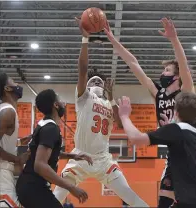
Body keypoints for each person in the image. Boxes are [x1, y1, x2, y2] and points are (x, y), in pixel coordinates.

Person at [53, 18, 148, 207]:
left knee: (132, 198)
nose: (96, 83)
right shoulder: (84, 98)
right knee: (54, 199)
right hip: (80, 157)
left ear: (104, 88)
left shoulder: (107, 103)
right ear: (87, 86)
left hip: (103, 159)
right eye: (93, 81)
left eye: (99, 82)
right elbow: (82, 70)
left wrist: (112, 97)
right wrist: (84, 39)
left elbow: (120, 123)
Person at [104, 17, 195, 207]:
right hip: (175, 157)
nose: (163, 73)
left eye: (167, 70)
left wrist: (174, 39)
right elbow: (133, 63)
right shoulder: (158, 94)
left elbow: (184, 66)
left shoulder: (185, 91)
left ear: (177, 76)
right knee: (163, 202)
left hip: (194, 155)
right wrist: (113, 40)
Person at [118, 93, 196, 208]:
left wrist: (124, 116)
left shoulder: (177, 130)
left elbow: (136, 139)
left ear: (176, 113)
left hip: (189, 202)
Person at [16, 89, 91, 208]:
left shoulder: (44, 124)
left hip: (30, 186)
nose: (63, 103)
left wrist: (73, 156)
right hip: (33, 188)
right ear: (56, 105)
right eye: (60, 100)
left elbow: (45, 153)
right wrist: (71, 187)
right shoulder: (51, 129)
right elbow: (40, 165)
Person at [0, 72, 30, 207]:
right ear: (7, 88)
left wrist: (18, 142)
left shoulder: (5, 110)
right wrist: (17, 159)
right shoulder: (7, 111)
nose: (17, 84)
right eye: (13, 81)